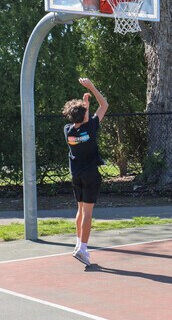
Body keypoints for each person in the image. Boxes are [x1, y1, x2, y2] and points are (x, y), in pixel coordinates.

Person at [62, 78, 109, 267]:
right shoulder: (91, 126)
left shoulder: (68, 131)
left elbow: (82, 121)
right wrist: (91, 87)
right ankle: (82, 248)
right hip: (91, 175)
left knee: (80, 210)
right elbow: (105, 104)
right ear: (85, 116)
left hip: (77, 176)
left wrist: (85, 105)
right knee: (88, 212)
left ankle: (78, 244)